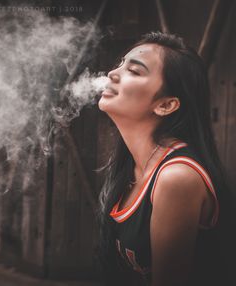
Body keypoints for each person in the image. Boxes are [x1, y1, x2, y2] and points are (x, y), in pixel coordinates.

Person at [97, 32, 235, 286]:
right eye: (120, 64)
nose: (113, 74)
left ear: (166, 105)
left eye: (135, 71)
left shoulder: (176, 178)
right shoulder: (130, 167)